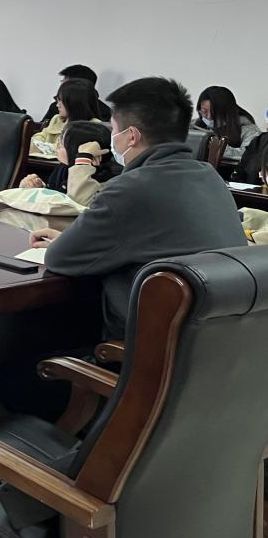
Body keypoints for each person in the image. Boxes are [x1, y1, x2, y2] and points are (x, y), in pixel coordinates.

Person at [29, 77, 246, 340]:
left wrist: (66, 244)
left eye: (114, 130)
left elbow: (58, 259)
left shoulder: (128, 189)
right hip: (217, 344)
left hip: (146, 348)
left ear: (131, 136)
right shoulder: (211, 177)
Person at [19, 120, 116, 206]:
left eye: (61, 144)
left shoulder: (104, 182)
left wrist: (83, 158)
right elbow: (58, 198)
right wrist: (37, 188)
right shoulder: (64, 168)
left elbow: (77, 205)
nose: (57, 146)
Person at [30, 78, 101, 152]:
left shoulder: (94, 126)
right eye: (57, 100)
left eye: (61, 101)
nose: (57, 105)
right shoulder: (57, 119)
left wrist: (44, 147)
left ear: (74, 102)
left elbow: (71, 150)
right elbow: (38, 139)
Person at [195, 85, 260, 160]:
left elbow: (247, 156)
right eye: (204, 111)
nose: (209, 117)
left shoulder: (250, 131)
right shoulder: (194, 126)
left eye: (214, 113)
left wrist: (218, 147)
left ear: (228, 113)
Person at [41, 65, 112, 123]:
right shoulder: (55, 107)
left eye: (65, 83)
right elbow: (41, 128)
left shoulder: (105, 113)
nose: (62, 87)